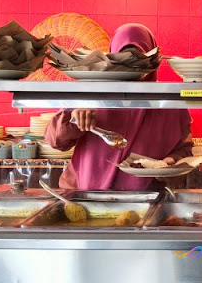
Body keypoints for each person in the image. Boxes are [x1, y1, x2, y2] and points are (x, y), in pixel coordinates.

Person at [45, 23, 193, 191]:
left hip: (144, 200)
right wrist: (74, 120)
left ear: (150, 61)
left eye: (138, 59)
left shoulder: (167, 103)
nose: (131, 66)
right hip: (86, 197)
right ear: (112, 58)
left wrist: (167, 164)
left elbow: (184, 151)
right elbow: (55, 141)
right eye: (123, 58)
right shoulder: (92, 93)